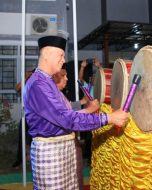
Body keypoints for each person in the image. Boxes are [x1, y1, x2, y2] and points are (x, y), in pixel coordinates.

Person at [23, 35, 129, 189]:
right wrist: (109, 118)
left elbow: (68, 114)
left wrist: (91, 111)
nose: (64, 60)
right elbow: (68, 119)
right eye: (61, 55)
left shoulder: (47, 81)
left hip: (61, 148)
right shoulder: (38, 85)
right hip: (51, 153)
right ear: (46, 55)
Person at [78, 58, 101, 164]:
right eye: (92, 77)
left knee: (96, 137)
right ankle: (87, 158)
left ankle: (96, 157)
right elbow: (80, 79)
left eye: (96, 77)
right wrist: (82, 66)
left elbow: (105, 78)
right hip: (87, 114)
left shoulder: (100, 87)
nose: (93, 78)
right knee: (87, 137)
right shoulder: (87, 86)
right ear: (90, 78)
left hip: (98, 114)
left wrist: (99, 66)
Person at [12, 70, 33, 168]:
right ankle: (19, 159)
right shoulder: (25, 84)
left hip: (36, 118)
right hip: (26, 116)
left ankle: (32, 159)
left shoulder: (38, 83)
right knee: (22, 138)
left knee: (34, 139)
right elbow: (17, 88)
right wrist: (25, 78)